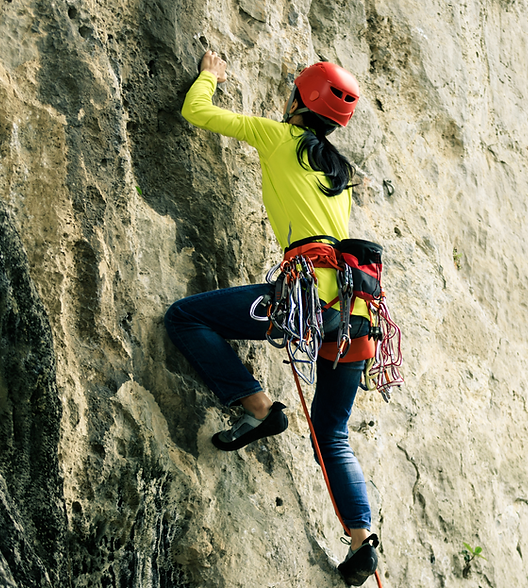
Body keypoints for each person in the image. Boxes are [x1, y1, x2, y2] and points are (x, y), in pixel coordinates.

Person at [164, 50, 379, 586]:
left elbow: (198, 112)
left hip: (303, 300)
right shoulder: (341, 172)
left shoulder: (279, 137)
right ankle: (361, 541)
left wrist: (210, 72)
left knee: (186, 319)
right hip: (355, 311)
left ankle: (260, 408)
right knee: (332, 430)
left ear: (299, 101)